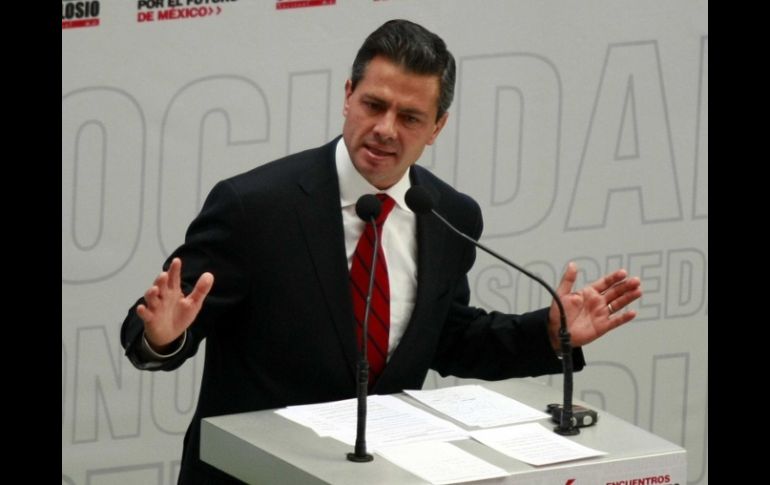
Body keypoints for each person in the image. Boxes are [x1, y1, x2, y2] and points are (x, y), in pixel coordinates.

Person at [121, 19, 642, 484]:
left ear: (437, 127)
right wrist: (162, 337)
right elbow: (157, 326)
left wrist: (548, 333)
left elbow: (449, 338)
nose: (386, 130)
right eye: (374, 105)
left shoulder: (448, 215)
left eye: (411, 117)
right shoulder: (255, 207)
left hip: (381, 473)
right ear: (348, 96)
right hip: (254, 475)